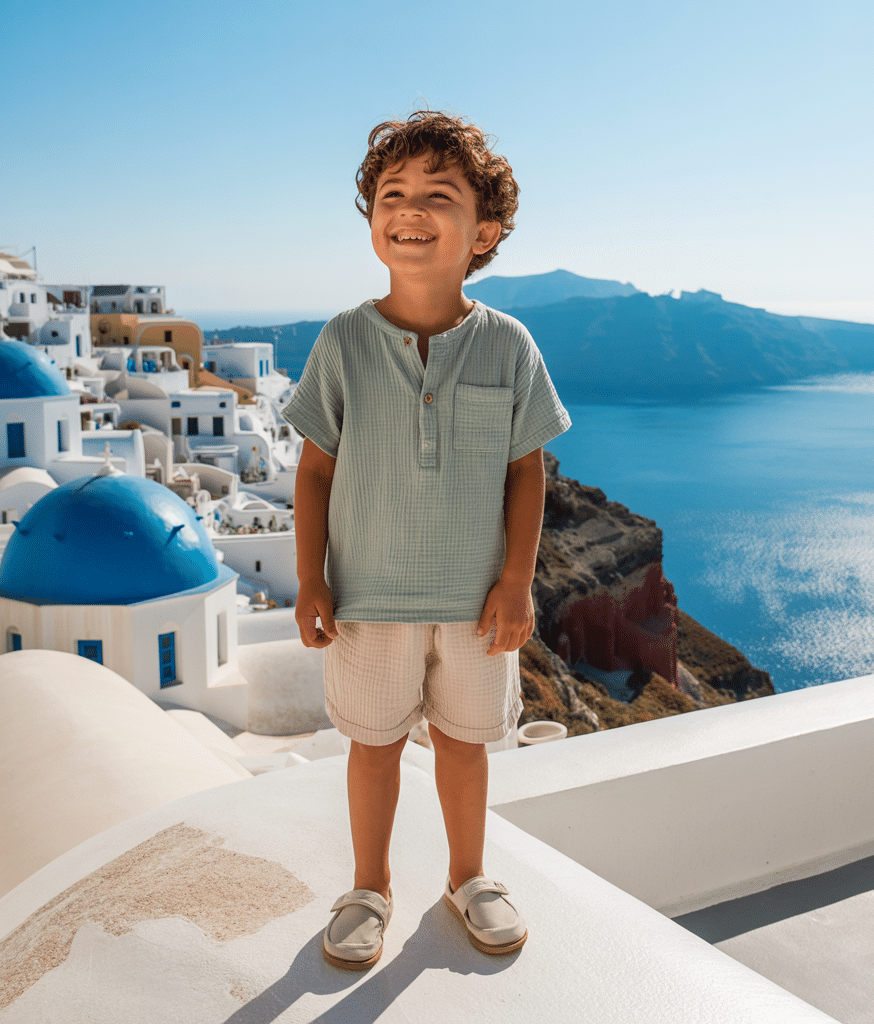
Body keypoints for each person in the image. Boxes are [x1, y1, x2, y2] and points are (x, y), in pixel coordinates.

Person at [283, 110, 571, 970]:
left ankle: (468, 877)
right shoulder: (343, 341)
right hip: (368, 598)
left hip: (476, 604)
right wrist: (310, 579)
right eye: (391, 193)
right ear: (373, 218)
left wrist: (517, 581)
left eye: (437, 194)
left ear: (484, 231)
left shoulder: (509, 345)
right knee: (371, 749)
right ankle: (368, 888)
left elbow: (526, 471)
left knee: (465, 745)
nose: (408, 208)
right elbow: (314, 472)